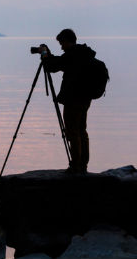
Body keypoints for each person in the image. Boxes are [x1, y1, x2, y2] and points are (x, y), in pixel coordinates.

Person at [41, 28, 95, 173]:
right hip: (85, 98)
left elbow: (52, 66)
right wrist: (49, 56)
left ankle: (76, 165)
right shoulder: (83, 54)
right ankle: (83, 164)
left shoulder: (72, 56)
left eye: (61, 43)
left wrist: (45, 54)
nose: (61, 47)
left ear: (67, 41)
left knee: (72, 131)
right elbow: (58, 62)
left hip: (74, 99)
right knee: (81, 130)